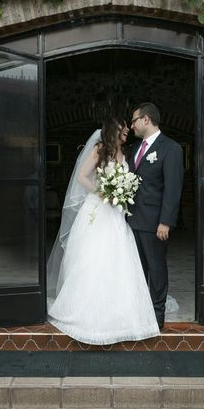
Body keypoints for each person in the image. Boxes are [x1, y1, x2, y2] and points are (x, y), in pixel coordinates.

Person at [47, 117, 160, 345]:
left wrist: (121, 193)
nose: (127, 131)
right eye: (123, 128)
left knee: (119, 260)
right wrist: (103, 192)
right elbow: (81, 176)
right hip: (98, 211)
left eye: (128, 128)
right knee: (94, 259)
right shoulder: (100, 150)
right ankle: (87, 313)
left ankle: (120, 314)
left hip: (117, 214)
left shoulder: (125, 153)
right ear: (113, 130)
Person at [127, 103, 184, 329]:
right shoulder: (135, 148)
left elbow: (173, 188)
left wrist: (165, 222)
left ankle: (157, 315)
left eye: (134, 121)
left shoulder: (171, 148)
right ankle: (140, 312)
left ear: (146, 120)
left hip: (155, 223)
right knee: (138, 269)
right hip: (133, 221)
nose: (131, 125)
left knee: (156, 269)